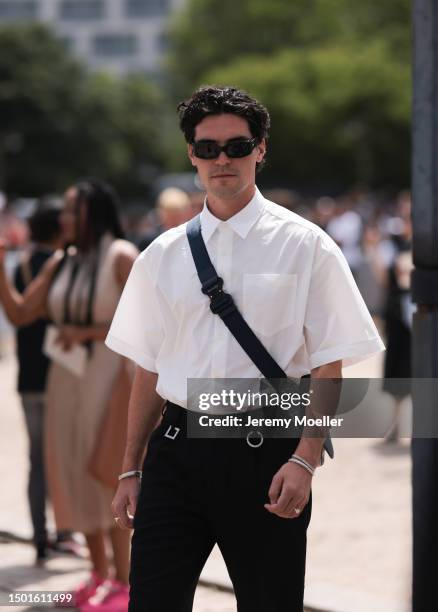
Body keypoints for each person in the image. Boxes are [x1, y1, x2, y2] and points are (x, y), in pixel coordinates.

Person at [106, 86, 385, 612]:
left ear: (261, 149)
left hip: (266, 450)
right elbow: (149, 366)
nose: (223, 159)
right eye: (207, 148)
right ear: (191, 154)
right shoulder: (161, 255)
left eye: (237, 145)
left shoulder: (308, 245)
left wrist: (305, 458)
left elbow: (330, 362)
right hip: (175, 450)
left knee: (269, 604)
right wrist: (130, 468)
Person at [0, 179, 138, 611]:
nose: (62, 217)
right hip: (65, 380)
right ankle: (97, 574)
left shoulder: (121, 255)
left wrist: (89, 331)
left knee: (107, 472)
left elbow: (150, 323)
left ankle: (125, 581)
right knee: (72, 474)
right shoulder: (62, 259)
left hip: (110, 377)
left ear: (92, 213)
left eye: (71, 209)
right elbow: (22, 312)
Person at [11, 197, 66, 564]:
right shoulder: (63, 266)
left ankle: (39, 534)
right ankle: (66, 529)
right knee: (63, 458)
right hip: (61, 376)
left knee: (36, 460)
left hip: (28, 377)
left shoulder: (23, 266)